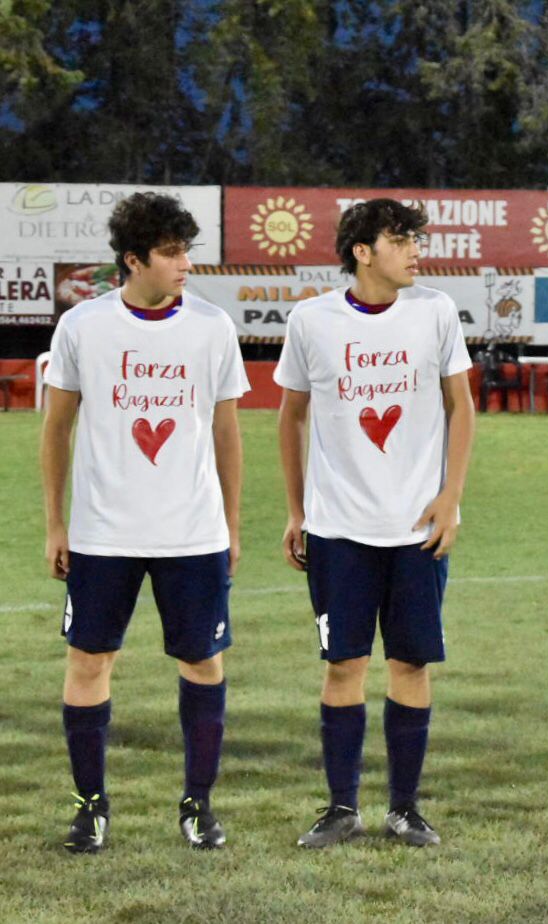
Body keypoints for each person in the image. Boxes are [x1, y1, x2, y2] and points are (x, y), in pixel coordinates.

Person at [42, 192, 248, 853]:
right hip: (103, 534)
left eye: (187, 250)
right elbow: (56, 428)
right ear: (133, 260)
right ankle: (90, 808)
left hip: (193, 533)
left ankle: (198, 805)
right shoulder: (83, 327)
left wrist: (231, 525)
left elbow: (226, 432)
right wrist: (55, 525)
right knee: (88, 661)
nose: (185, 264)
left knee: (203, 663)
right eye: (171, 252)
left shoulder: (212, 326)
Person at [275, 198, 475, 848]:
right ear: (363, 251)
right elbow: (291, 415)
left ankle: (405, 809)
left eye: (416, 238)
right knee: (344, 666)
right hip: (338, 530)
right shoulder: (312, 320)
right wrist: (298, 510)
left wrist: (450, 497)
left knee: (411, 665)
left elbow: (461, 406)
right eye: (401, 239)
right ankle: (341, 809)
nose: (416, 250)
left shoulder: (435, 312)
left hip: (418, 529)